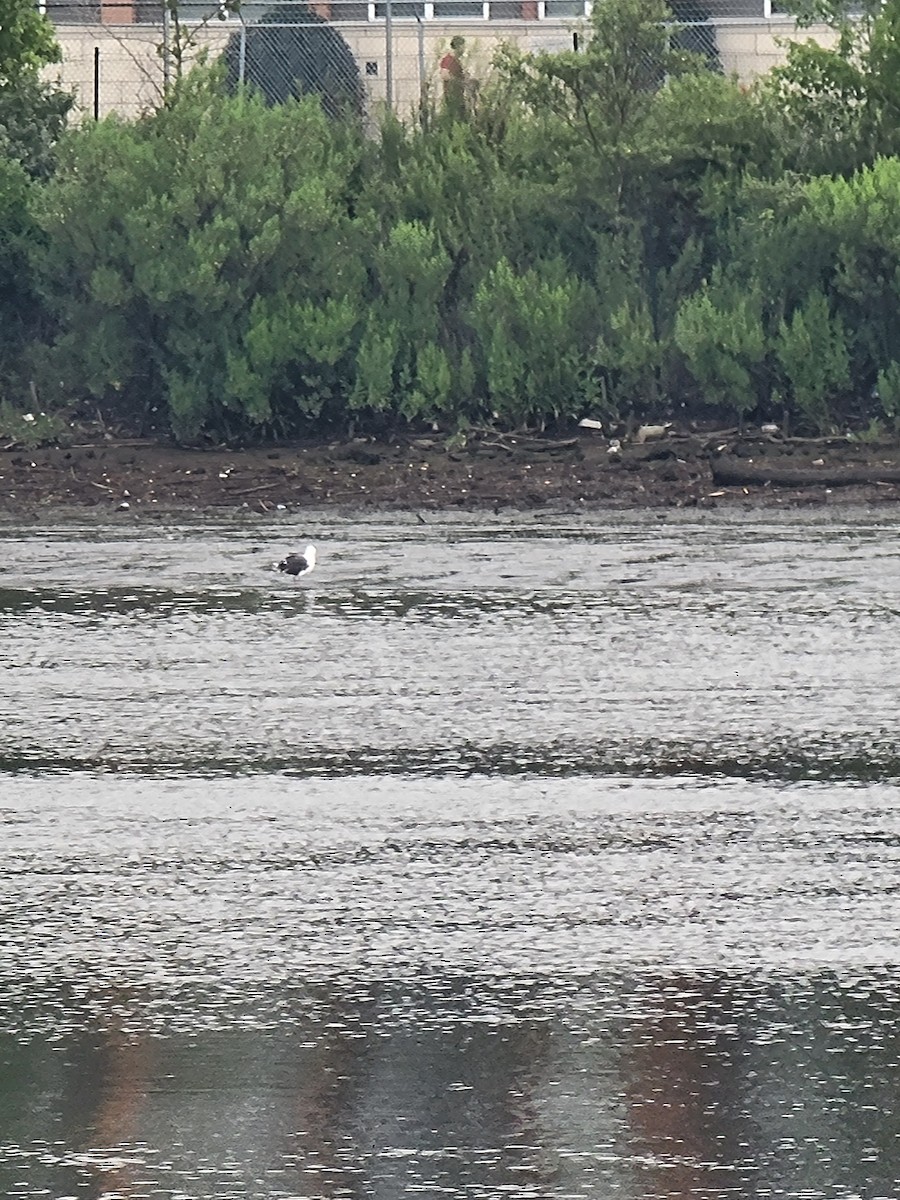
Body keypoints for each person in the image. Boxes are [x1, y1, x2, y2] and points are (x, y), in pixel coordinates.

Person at [439, 35, 466, 116]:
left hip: (459, 95)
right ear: (458, 46)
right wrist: (459, 82)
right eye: (463, 47)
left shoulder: (456, 60)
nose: (464, 50)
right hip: (452, 95)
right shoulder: (448, 60)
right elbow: (444, 75)